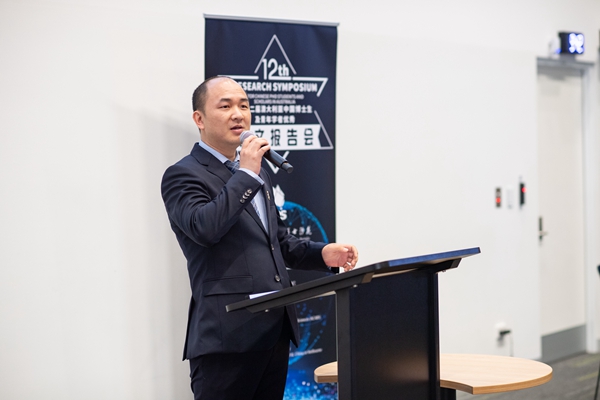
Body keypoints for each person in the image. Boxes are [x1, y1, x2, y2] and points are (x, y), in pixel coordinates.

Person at [161, 76, 359, 400]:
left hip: (274, 332)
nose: (238, 114)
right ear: (199, 119)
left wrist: (323, 254)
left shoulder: (257, 173)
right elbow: (205, 229)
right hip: (227, 338)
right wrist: (246, 174)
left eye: (244, 105)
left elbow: (277, 242)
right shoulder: (184, 174)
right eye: (225, 106)